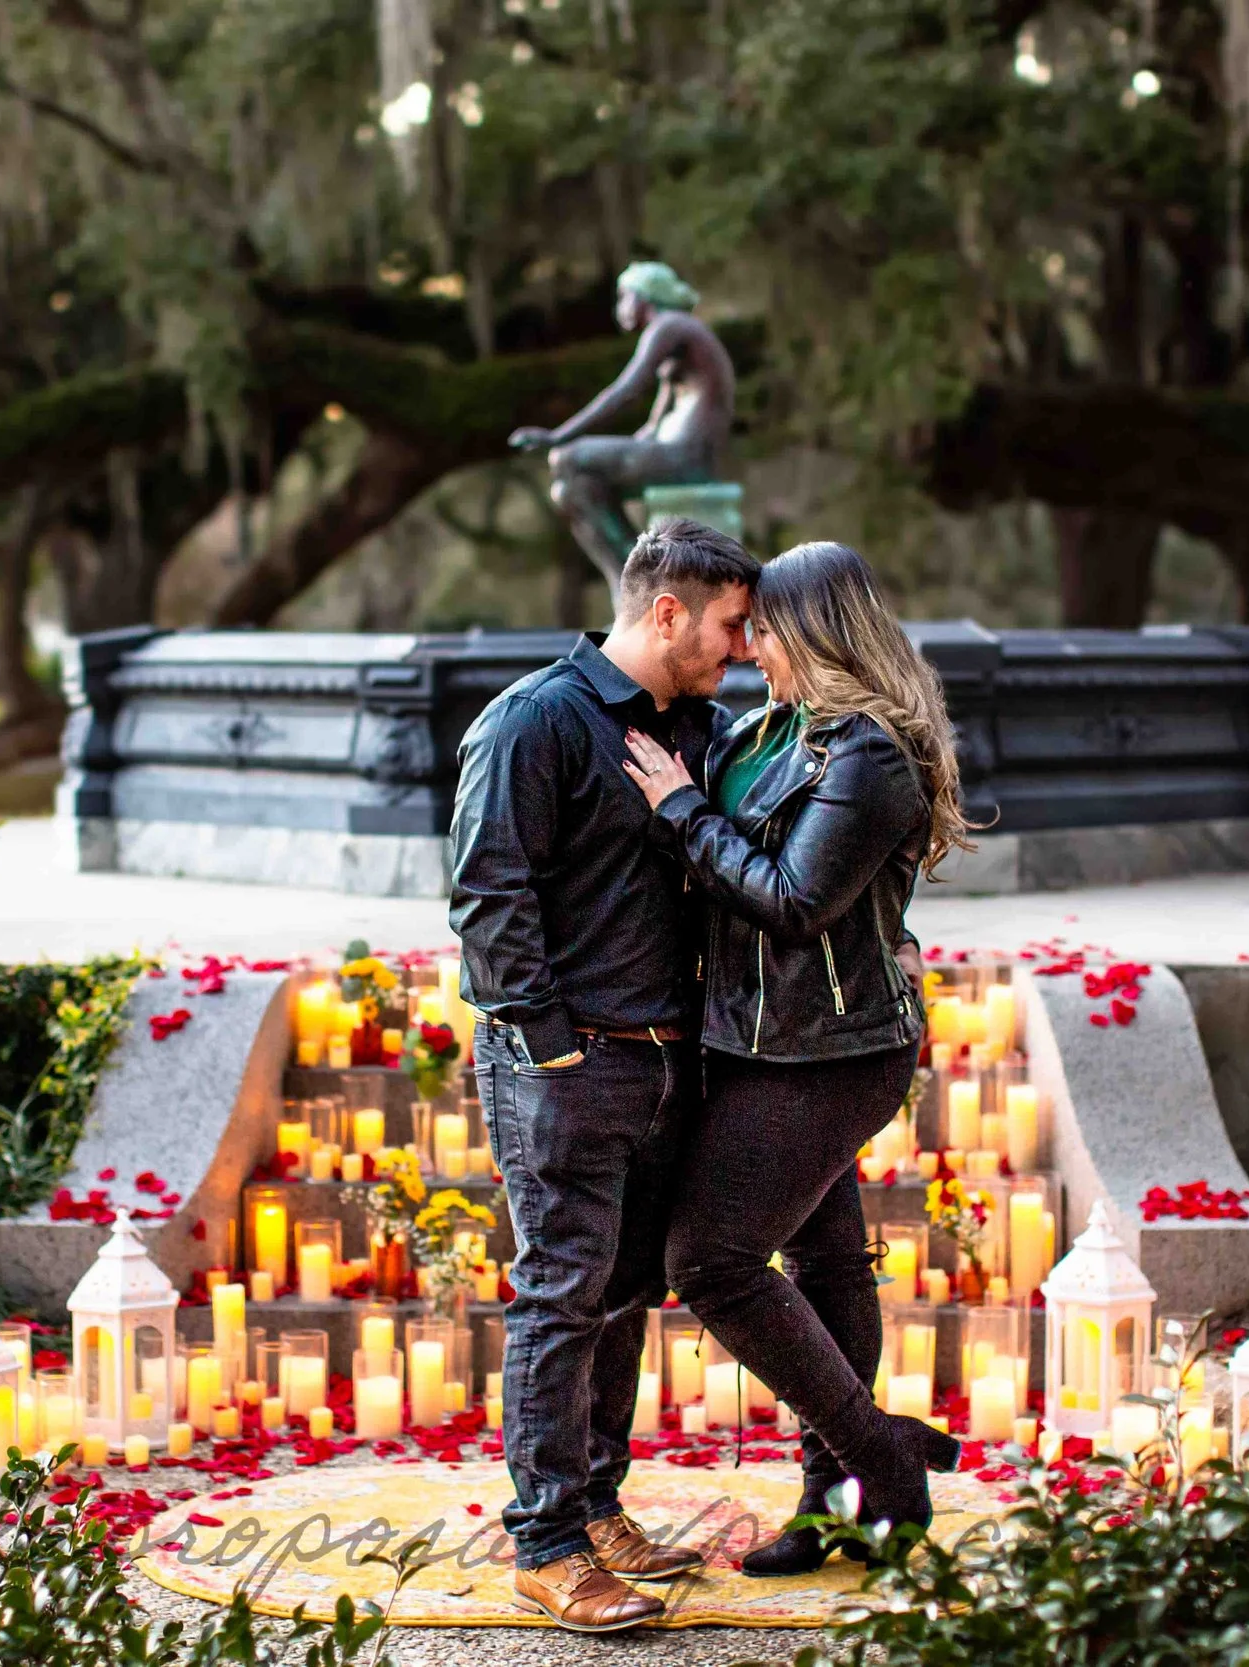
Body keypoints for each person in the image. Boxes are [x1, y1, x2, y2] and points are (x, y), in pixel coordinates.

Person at [619, 541, 975, 1575]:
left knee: (710, 1260)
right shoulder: (771, 730)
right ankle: (832, 1502)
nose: (745, 647)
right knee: (821, 1263)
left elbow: (793, 898)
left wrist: (678, 808)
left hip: (832, 1048)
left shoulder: (870, 753)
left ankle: (880, 1459)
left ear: (812, 630)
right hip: (749, 1039)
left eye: (760, 627)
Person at [448, 519, 760, 1630]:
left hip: (672, 1060)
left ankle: (595, 1503)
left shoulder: (698, 725)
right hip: (570, 1063)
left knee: (626, 1290)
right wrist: (549, 1041)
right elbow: (489, 893)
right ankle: (544, 1542)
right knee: (562, 1291)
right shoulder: (535, 720)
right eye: (730, 624)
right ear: (666, 610)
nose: (742, 646)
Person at [509, 261, 736, 599]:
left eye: (623, 297)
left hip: (686, 456)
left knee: (566, 458)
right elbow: (656, 420)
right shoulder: (678, 335)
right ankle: (633, 579)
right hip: (676, 450)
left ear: (643, 298)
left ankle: (634, 576)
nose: (619, 309)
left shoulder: (670, 325)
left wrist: (559, 435)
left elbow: (626, 389)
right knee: (571, 491)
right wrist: (632, 443)